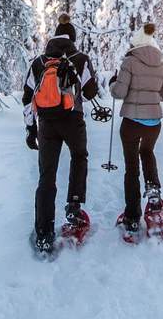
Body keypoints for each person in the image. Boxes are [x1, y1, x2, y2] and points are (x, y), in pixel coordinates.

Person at [22, 16, 99, 252]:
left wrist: (30, 129)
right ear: (72, 39)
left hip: (46, 124)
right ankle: (74, 209)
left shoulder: (39, 61)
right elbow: (90, 92)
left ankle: (44, 233)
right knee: (79, 157)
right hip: (73, 120)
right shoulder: (81, 58)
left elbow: (27, 97)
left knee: (47, 175)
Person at [109, 23, 163, 232]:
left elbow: (118, 92)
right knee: (147, 152)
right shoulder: (161, 64)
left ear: (136, 43)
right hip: (153, 124)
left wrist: (112, 83)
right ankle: (154, 194)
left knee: (131, 168)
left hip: (131, 123)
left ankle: (132, 216)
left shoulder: (130, 61)